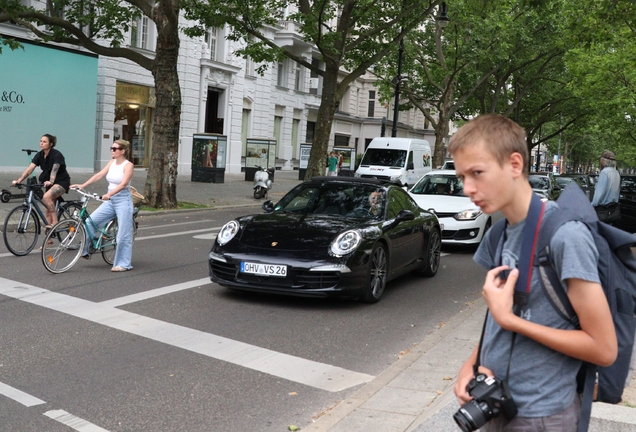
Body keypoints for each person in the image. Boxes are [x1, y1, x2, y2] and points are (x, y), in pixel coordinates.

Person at [450, 114, 617, 431]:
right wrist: (470, 365)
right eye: (461, 177)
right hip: (493, 406)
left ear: (515, 164)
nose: (467, 188)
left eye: (477, 173)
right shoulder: (497, 235)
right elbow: (498, 322)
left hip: (544, 417)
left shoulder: (565, 237)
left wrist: (510, 320)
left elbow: (604, 348)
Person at [71, 140, 135, 272]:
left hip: (123, 201)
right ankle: (87, 250)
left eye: (115, 148)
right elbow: (99, 175)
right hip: (110, 201)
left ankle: (123, 264)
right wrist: (82, 185)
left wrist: (109, 194)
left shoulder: (128, 165)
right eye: (111, 148)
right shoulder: (112, 163)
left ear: (122, 151)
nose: (112, 150)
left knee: (122, 235)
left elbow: (123, 184)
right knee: (89, 222)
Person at [12, 134, 71, 229]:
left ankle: (55, 223)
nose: (42, 143)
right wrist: (19, 180)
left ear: (51, 144)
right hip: (48, 182)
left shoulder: (56, 154)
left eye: (44, 141)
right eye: (41, 141)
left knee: (46, 197)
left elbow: (55, 169)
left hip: (61, 182)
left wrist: (51, 181)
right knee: (48, 210)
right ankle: (48, 241)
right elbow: (30, 168)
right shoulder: (40, 155)